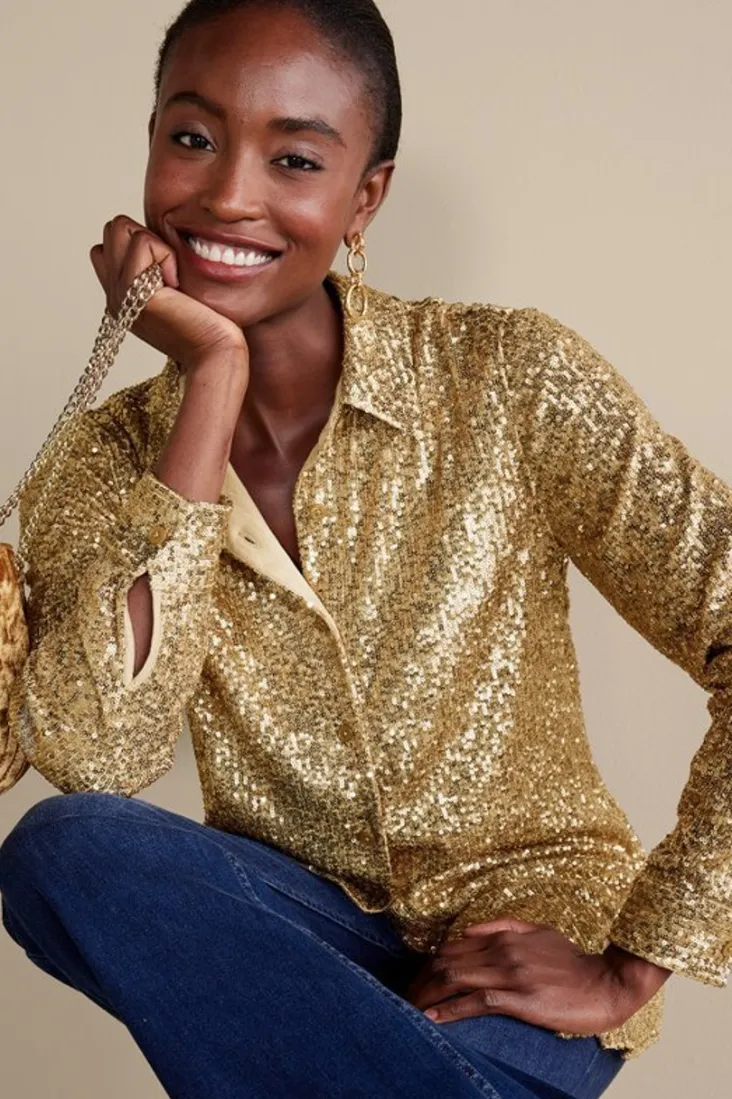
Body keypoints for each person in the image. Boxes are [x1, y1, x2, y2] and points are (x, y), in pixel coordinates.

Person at [1, 0, 729, 1096]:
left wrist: (634, 961)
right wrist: (211, 379)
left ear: (365, 197)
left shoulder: (506, 377)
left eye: (295, 158)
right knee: (62, 851)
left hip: (522, 943)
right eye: (192, 138)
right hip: (295, 936)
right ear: (150, 144)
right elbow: (102, 758)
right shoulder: (101, 463)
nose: (228, 194)